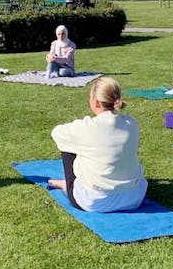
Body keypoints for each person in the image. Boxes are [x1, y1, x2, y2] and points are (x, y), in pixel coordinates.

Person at [47, 77, 147, 212]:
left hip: (94, 201)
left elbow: (56, 133)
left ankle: (70, 185)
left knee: (67, 144)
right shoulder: (131, 123)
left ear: (95, 101)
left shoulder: (87, 127)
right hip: (134, 198)